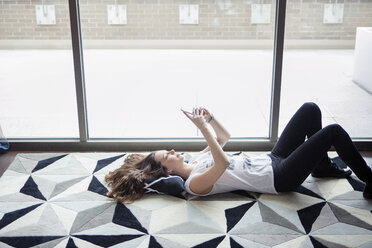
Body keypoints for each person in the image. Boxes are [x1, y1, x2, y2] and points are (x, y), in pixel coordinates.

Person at [105, 102, 372, 203]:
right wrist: (202, 129)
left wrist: (209, 118)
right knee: (333, 131)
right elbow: (221, 162)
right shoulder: (194, 184)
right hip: (280, 177)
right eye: (168, 155)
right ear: (167, 170)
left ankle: (322, 167)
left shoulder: (196, 159)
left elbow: (224, 138)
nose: (173, 151)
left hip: (271, 159)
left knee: (310, 109)